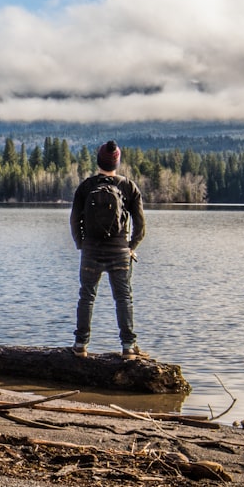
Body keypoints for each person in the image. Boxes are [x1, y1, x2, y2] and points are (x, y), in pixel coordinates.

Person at [69, 140, 147, 358]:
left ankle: (80, 345)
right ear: (117, 162)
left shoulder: (86, 186)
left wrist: (81, 245)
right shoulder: (129, 187)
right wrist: (130, 248)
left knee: (86, 297)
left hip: (91, 252)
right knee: (123, 299)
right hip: (120, 252)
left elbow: (74, 221)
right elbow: (141, 227)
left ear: (98, 160)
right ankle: (128, 348)